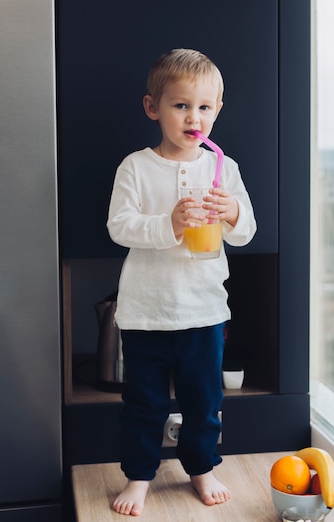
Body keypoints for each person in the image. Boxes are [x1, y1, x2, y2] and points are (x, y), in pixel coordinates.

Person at [107, 48, 256, 516]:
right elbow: (120, 226)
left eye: (205, 107)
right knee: (143, 405)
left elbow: (247, 229)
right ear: (153, 107)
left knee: (203, 403)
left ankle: (201, 468)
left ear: (217, 111)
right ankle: (138, 477)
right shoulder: (136, 167)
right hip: (146, 313)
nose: (195, 117)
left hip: (203, 311)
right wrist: (169, 224)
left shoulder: (222, 168)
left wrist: (231, 210)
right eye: (181, 105)